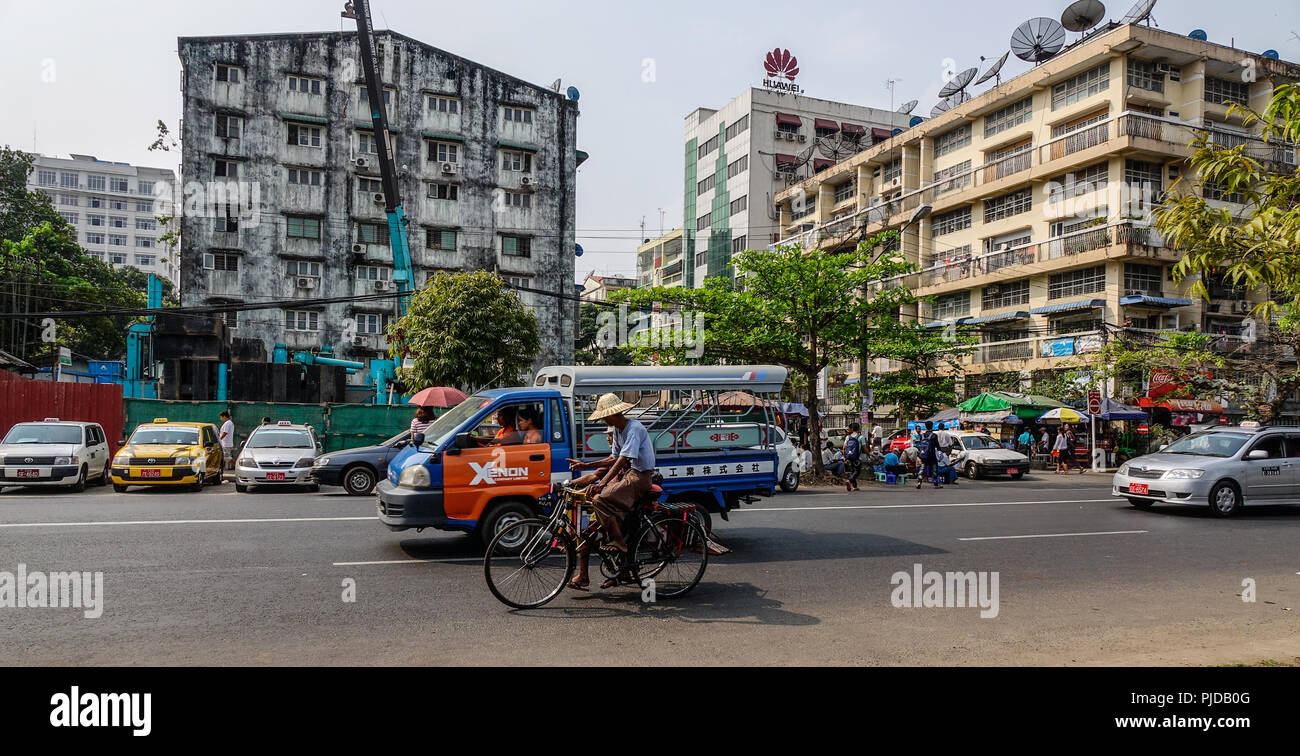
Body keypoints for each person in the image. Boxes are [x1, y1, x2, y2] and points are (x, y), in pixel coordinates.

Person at [565, 393, 656, 590]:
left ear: (614, 414)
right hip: (629, 473)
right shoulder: (617, 430)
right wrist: (586, 465)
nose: (604, 420)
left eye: (605, 417)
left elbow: (622, 460)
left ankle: (617, 541)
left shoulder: (634, 429)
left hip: (639, 476)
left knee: (600, 498)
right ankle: (616, 552)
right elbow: (612, 458)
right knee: (597, 504)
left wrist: (602, 484)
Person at [917, 421, 942, 489]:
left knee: (922, 469)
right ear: (932, 426)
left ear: (925, 426)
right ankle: (935, 483)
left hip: (923, 455)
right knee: (934, 469)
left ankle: (919, 482)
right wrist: (940, 452)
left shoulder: (921, 435)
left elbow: (920, 445)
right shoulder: (933, 435)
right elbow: (937, 446)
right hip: (931, 455)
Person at [843, 422, 863, 492]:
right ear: (858, 429)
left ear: (852, 429)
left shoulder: (848, 437)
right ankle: (849, 481)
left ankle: (854, 487)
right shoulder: (861, 437)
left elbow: (844, 447)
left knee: (852, 471)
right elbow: (864, 447)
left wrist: (844, 457)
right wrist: (868, 454)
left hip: (849, 456)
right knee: (857, 471)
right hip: (857, 458)